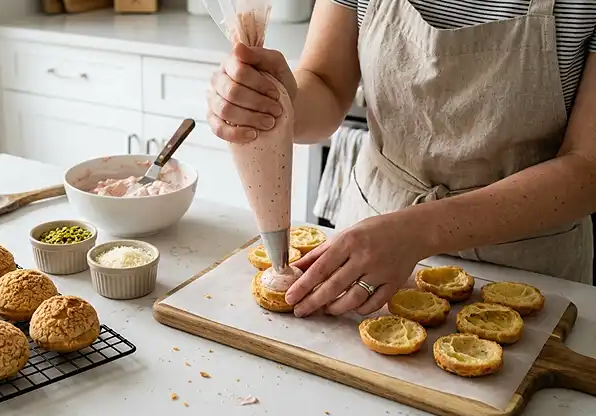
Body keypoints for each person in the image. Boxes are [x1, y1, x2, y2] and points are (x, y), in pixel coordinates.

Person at [207, 0, 596, 318]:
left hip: (525, 263)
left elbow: (588, 167)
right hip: (366, 250)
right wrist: (276, 102)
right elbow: (325, 84)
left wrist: (418, 231)